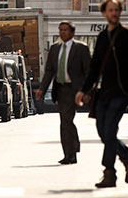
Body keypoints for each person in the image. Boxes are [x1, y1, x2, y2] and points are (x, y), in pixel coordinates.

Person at [76, 0, 128, 188]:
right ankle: (127, 157)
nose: (114, 13)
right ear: (104, 13)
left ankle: (109, 173)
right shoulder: (101, 38)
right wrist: (83, 90)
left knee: (110, 130)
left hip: (123, 92)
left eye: (117, 10)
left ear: (120, 12)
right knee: (103, 132)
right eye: (110, 10)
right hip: (104, 92)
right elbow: (94, 68)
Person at [36, 21, 91, 165]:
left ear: (72, 32)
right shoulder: (55, 49)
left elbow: (88, 72)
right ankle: (70, 152)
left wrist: (86, 91)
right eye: (60, 30)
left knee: (66, 119)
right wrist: (42, 89)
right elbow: (49, 71)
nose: (62, 32)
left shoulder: (81, 48)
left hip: (75, 90)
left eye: (65, 30)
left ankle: (71, 152)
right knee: (65, 121)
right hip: (60, 89)